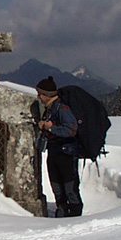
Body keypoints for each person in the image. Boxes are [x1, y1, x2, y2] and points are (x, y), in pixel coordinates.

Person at [36, 76, 83, 217]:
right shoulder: (50, 109)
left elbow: (71, 130)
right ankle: (61, 213)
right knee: (57, 187)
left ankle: (74, 216)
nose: (38, 97)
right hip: (55, 152)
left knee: (69, 188)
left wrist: (51, 128)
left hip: (66, 153)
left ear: (48, 95)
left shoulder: (62, 108)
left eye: (40, 94)